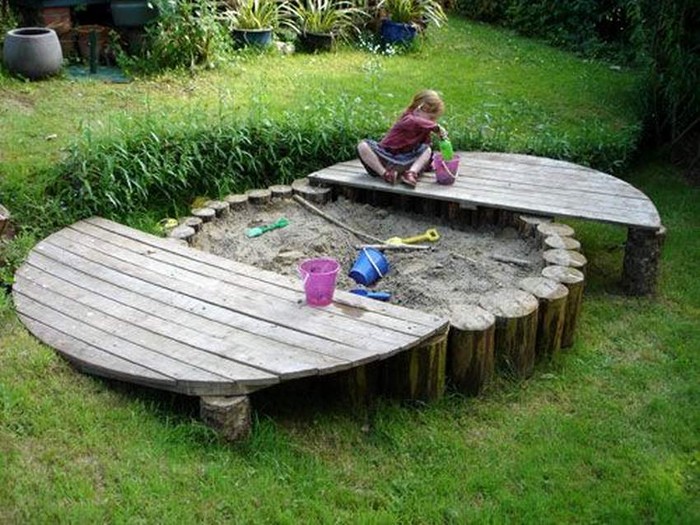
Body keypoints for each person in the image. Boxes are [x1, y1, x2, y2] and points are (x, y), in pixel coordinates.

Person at [357, 89, 448, 188]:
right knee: (363, 146)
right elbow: (415, 121)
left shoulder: (425, 127)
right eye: (431, 118)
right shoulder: (408, 118)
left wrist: (428, 165)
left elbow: (425, 147)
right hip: (385, 157)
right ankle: (386, 174)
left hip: (405, 160)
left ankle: (411, 173)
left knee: (427, 149)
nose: (432, 121)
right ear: (419, 108)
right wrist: (435, 127)